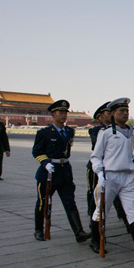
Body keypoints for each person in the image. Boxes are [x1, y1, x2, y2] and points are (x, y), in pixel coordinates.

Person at [89, 98, 134, 261]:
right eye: (121, 111)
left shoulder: (133, 133)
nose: (125, 113)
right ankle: (95, 240)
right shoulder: (105, 133)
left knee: (133, 210)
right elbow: (96, 157)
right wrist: (99, 173)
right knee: (102, 210)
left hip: (128, 177)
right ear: (112, 114)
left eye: (127, 110)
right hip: (110, 176)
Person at [32, 100, 91, 243]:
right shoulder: (44, 133)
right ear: (53, 114)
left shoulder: (70, 131)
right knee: (43, 202)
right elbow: (36, 151)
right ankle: (39, 230)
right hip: (48, 172)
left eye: (65, 113)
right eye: (61, 113)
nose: (64, 115)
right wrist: (45, 163)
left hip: (65, 171)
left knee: (70, 203)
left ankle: (79, 232)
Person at [86, 102, 130, 236]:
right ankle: (95, 225)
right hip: (100, 168)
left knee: (120, 199)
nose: (109, 115)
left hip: (115, 169)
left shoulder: (122, 130)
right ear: (100, 117)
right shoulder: (98, 131)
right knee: (97, 198)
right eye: (106, 113)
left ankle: (127, 222)